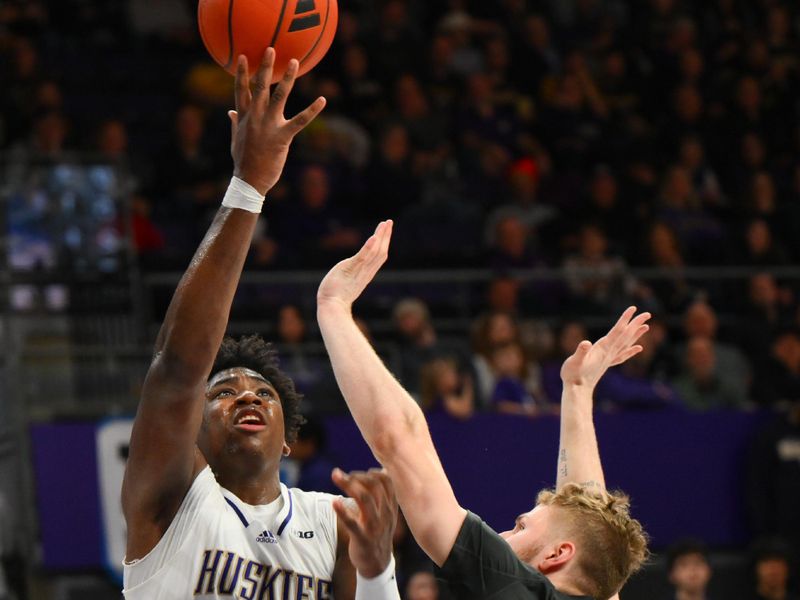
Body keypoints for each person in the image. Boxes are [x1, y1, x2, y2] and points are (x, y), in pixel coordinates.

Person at [121, 50, 401, 599]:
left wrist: (377, 571)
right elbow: (179, 368)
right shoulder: (170, 503)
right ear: (191, 436)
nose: (247, 397)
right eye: (223, 392)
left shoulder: (335, 523)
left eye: (263, 393)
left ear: (290, 440)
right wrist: (248, 187)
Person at [317, 221, 649, 600]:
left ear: (557, 555)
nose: (503, 534)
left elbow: (400, 439)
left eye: (520, 527)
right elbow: (589, 527)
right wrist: (577, 390)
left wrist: (334, 307)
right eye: (518, 526)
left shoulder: (518, 589)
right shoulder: (598, 590)